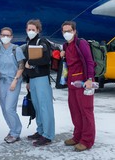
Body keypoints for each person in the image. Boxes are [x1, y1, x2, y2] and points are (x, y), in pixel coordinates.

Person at [60, 21, 96, 152]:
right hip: (72, 83)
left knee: (86, 111)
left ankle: (87, 141)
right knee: (75, 111)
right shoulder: (65, 46)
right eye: (64, 31)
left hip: (84, 83)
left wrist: (90, 79)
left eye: (69, 31)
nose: (67, 33)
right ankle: (77, 136)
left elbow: (89, 61)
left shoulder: (81, 43)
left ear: (74, 31)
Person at [24, 19, 55, 146]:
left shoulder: (42, 42)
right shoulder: (28, 42)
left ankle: (48, 135)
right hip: (33, 79)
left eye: (33, 29)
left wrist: (31, 63)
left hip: (42, 78)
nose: (31, 31)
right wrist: (28, 80)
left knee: (45, 107)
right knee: (37, 106)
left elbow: (46, 59)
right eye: (29, 29)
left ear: (38, 30)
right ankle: (41, 130)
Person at [0, 27, 25, 143]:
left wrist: (15, 80)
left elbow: (21, 66)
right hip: (1, 81)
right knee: (4, 108)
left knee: (9, 108)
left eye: (7, 35)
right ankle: (12, 129)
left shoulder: (15, 49)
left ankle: (16, 132)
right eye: (3, 35)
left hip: (13, 81)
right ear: (0, 36)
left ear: (12, 37)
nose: (5, 37)